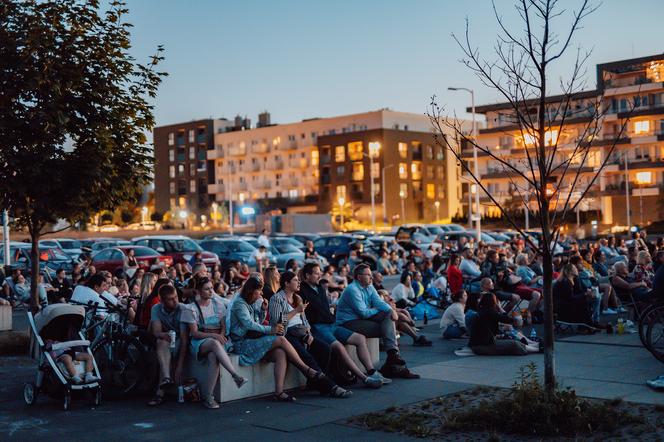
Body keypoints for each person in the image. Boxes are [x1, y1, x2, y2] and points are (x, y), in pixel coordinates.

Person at [229, 274, 342, 402]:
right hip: (245, 342)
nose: (261, 294)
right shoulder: (245, 303)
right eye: (259, 291)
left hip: (295, 334)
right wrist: (288, 316)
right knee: (284, 341)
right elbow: (255, 324)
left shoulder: (297, 298)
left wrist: (262, 311)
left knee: (283, 353)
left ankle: (279, 392)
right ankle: (308, 371)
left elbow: (303, 320)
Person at [299, 263, 387, 388]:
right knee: (339, 347)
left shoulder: (321, 289)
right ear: (307, 275)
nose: (319, 275)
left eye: (319, 272)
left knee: (360, 338)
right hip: (318, 327)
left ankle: (372, 371)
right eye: (316, 273)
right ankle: (364, 378)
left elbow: (324, 308)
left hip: (332, 324)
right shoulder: (302, 290)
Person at [268, 271, 352, 398]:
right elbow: (277, 322)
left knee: (325, 349)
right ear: (286, 283)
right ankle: (330, 387)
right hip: (286, 334)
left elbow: (304, 319)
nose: (299, 282)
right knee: (307, 357)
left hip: (302, 332)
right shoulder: (276, 299)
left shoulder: (298, 298)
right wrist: (296, 310)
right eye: (295, 280)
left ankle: (315, 383)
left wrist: (308, 332)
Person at [336, 264, 419, 379]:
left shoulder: (369, 287)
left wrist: (391, 310)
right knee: (388, 329)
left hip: (361, 319)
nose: (371, 278)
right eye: (368, 275)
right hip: (348, 323)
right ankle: (393, 362)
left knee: (388, 317)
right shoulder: (352, 290)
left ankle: (393, 357)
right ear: (359, 277)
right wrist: (380, 309)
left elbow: (379, 302)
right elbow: (363, 313)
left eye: (371, 275)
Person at [181, 277, 247, 409]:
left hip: (217, 340)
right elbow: (194, 333)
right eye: (207, 289)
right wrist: (214, 335)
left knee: (213, 357)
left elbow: (223, 326)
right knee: (213, 343)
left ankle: (208, 397)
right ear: (198, 291)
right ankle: (235, 375)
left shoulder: (218, 305)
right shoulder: (191, 309)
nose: (211, 291)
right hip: (199, 342)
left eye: (211, 288)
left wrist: (221, 335)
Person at [147, 284, 188, 406]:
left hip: (182, 339)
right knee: (161, 342)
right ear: (162, 301)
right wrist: (164, 335)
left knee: (165, 355)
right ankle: (166, 378)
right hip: (168, 339)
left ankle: (160, 392)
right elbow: (156, 332)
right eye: (171, 299)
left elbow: (185, 339)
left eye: (176, 297)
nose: (175, 301)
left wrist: (180, 366)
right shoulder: (156, 308)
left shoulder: (183, 309)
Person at [469, 292, 539, 355]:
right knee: (514, 344)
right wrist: (499, 308)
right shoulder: (490, 313)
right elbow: (507, 319)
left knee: (511, 337)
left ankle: (534, 345)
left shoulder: (482, 311)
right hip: (483, 346)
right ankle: (537, 349)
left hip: (480, 343)